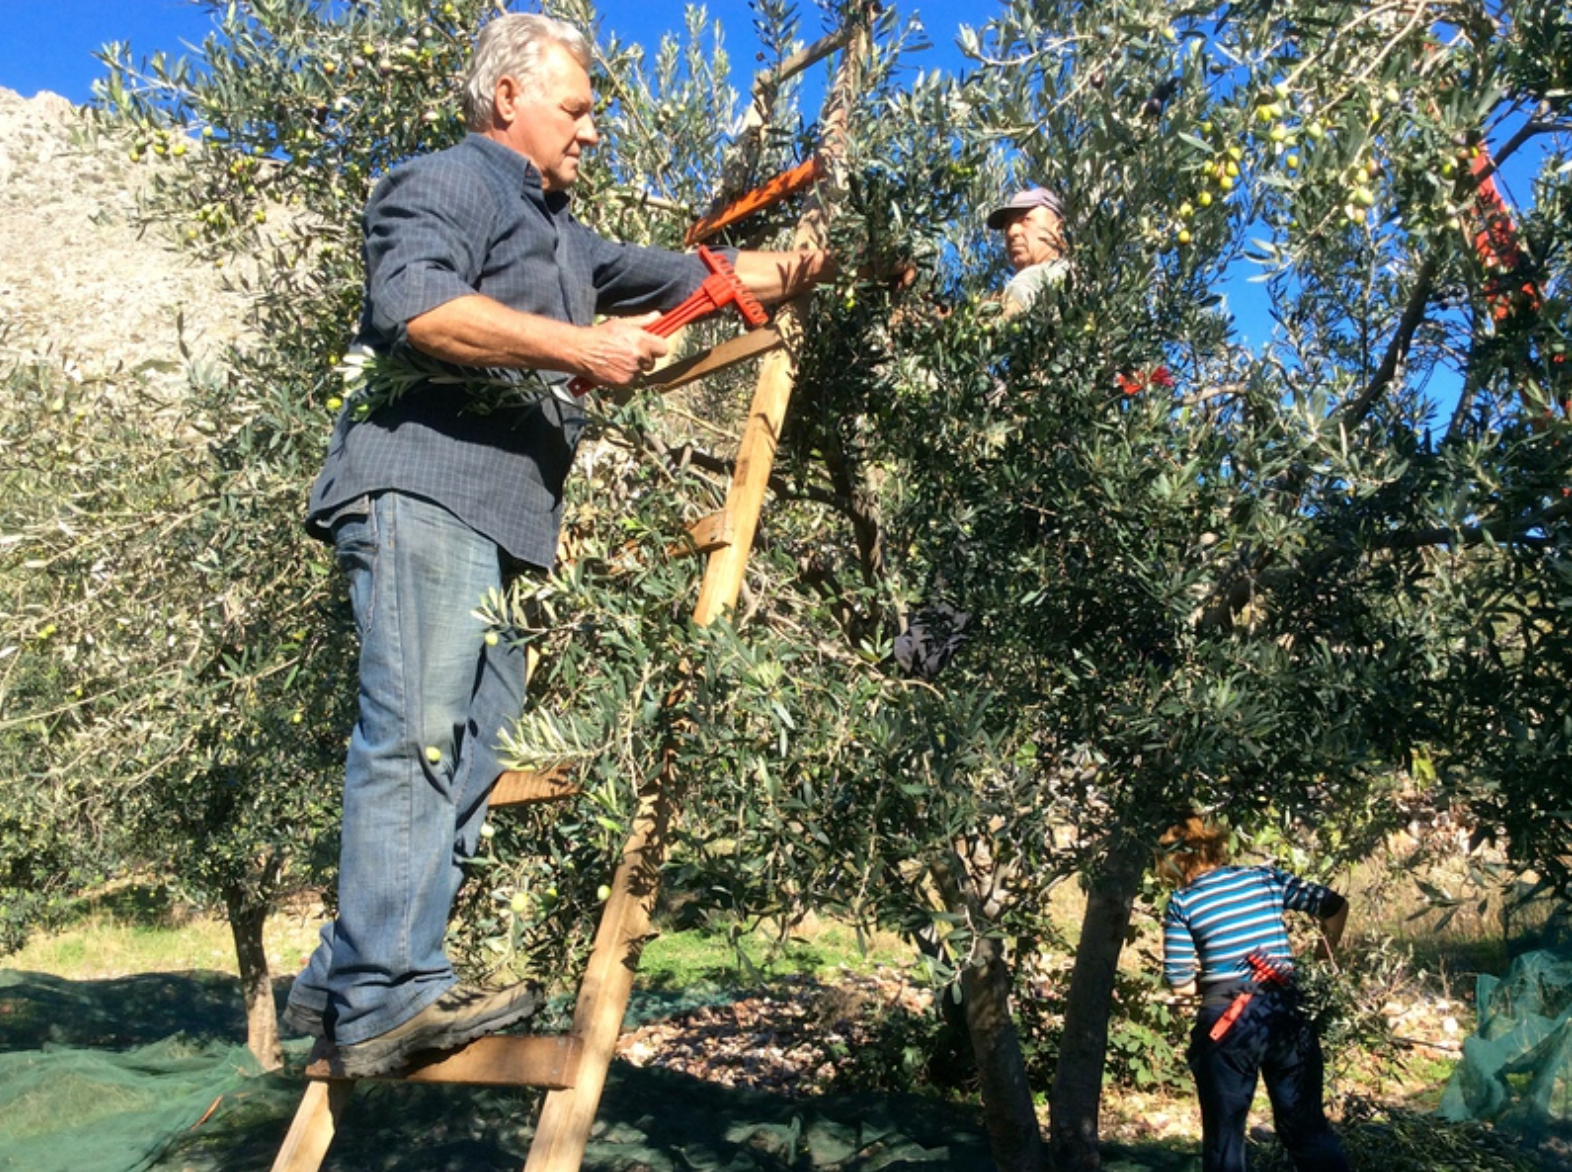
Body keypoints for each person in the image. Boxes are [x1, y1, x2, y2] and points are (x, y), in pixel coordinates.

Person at [283, 12, 834, 1078]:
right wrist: (579, 343)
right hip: (421, 488)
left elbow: (702, 275)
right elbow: (419, 308)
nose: (591, 131)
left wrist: (828, 262)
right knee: (419, 733)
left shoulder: (566, 240)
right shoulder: (442, 182)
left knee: (475, 746)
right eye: (576, 110)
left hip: (502, 524)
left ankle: (346, 978)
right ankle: (385, 994)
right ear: (507, 99)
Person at [1157, 813, 1352, 1172]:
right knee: (1306, 1128)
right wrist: (1323, 956)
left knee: (1225, 1137)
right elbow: (1335, 905)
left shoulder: (1183, 902)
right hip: (1285, 1010)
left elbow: (1180, 982)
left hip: (1228, 1020)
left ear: (1176, 859)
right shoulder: (1263, 878)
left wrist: (1199, 990)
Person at [984, 186, 1070, 316]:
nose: (1012, 232)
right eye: (1007, 226)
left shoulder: (1041, 275)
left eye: (1026, 220)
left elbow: (1004, 319)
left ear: (1058, 230)